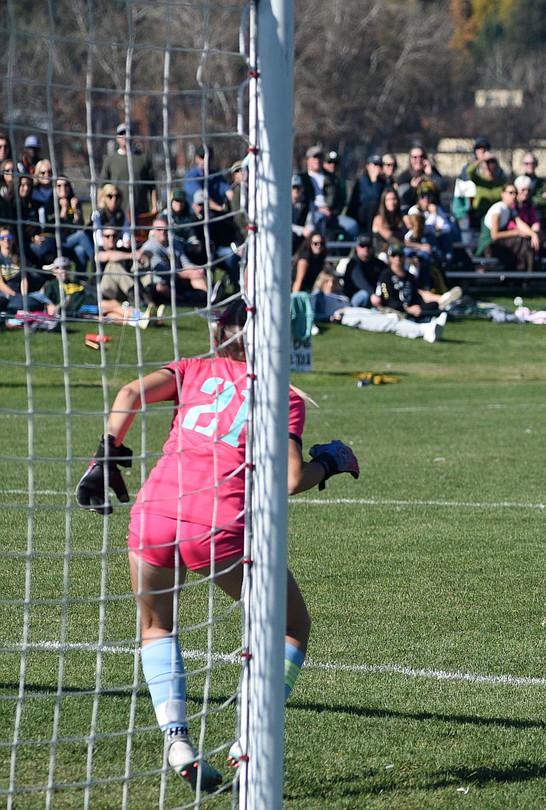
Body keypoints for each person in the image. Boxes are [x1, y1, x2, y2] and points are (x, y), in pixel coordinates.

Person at [74, 299, 360, 792]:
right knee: (291, 627)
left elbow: (129, 392)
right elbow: (290, 479)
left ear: (218, 333)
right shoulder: (280, 393)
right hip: (216, 525)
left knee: (156, 625)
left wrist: (108, 455)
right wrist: (332, 460)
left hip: (155, 512)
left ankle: (178, 739)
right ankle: (247, 736)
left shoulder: (192, 368)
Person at [478, 183, 541, 273]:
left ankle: (525, 274)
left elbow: (520, 224)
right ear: (503, 194)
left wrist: (533, 234)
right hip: (489, 246)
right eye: (510, 193)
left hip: (501, 245)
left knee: (525, 242)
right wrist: (516, 232)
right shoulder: (498, 210)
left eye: (515, 193)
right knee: (520, 241)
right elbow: (494, 235)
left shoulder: (510, 210)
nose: (514, 196)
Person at [98, 123, 157, 218]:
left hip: (141, 212)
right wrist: (101, 207)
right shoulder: (110, 160)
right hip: (117, 213)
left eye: (128, 133)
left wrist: (154, 207)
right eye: (122, 133)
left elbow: (152, 186)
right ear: (117, 138)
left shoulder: (143, 158)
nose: (125, 136)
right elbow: (102, 186)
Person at [340, 232, 386, 308]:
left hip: (375, 297)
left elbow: (385, 279)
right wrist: (372, 294)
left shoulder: (379, 264)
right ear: (357, 247)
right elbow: (360, 281)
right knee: (364, 294)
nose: (366, 249)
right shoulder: (353, 263)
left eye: (368, 246)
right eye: (362, 246)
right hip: (353, 300)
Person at [397, 142, 447, 208]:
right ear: (410, 159)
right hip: (413, 212)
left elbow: (443, 187)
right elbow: (402, 198)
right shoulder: (405, 176)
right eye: (415, 157)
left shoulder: (432, 172)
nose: (418, 160)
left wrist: (431, 175)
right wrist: (412, 188)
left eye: (421, 156)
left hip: (433, 210)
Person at [345, 154, 385, 229]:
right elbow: (373, 197)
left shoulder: (382, 182)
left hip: (376, 213)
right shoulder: (362, 180)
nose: (377, 168)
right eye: (375, 165)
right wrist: (374, 180)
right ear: (368, 166)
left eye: (380, 165)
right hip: (358, 213)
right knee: (373, 204)